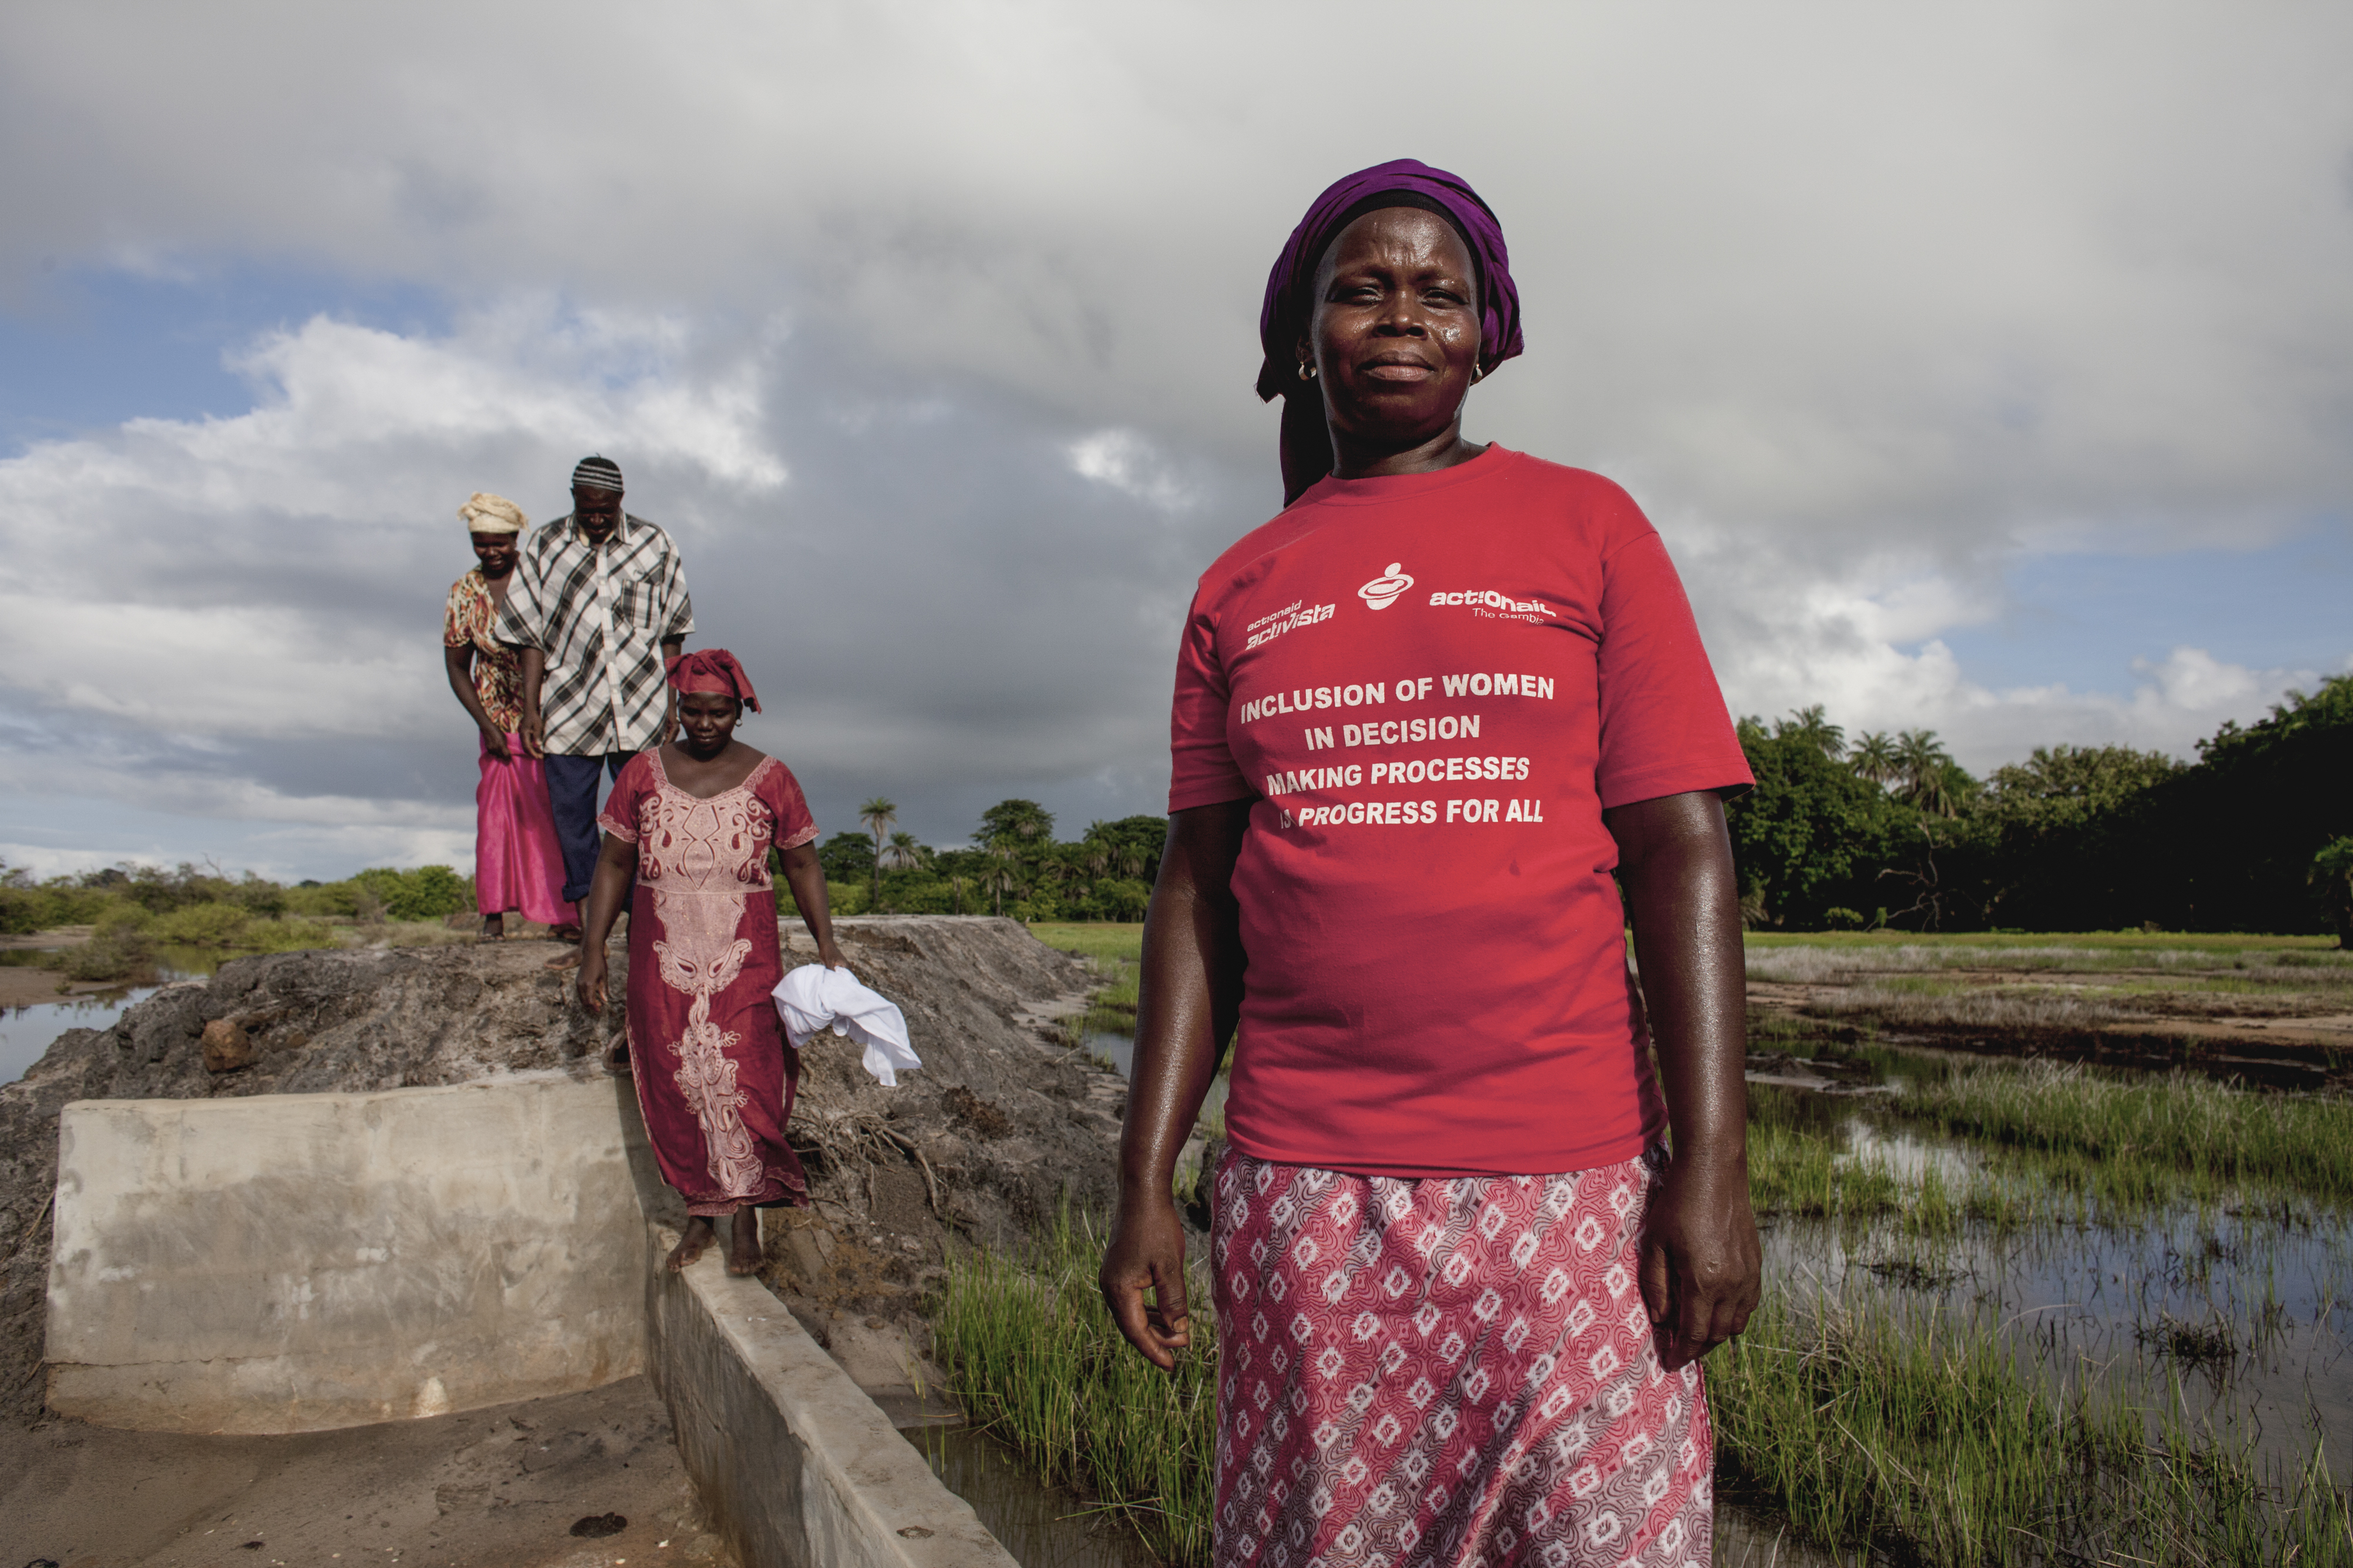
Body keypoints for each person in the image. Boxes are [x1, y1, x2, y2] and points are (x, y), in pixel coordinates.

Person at [1099, 160, 1760, 1568]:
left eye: (1436, 290)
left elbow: (1678, 846)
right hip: (1305, 1190)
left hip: (1573, 1176)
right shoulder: (1240, 584)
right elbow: (1198, 892)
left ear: (1485, 336)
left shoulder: (1589, 527)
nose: (1401, 313)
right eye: (1362, 287)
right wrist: (1143, 1173)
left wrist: (1710, 1163)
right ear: (1301, 339)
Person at [575, 649, 848, 1276]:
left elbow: (801, 863)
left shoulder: (772, 776)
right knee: (679, 1082)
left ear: (740, 710)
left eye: (718, 712)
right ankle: (701, 1215)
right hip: (661, 952)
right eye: (692, 711)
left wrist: (826, 943)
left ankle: (746, 1215)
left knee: (746, 1077)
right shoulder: (642, 773)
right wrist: (593, 951)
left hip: (744, 952)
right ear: (676, 708)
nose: (703, 724)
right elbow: (615, 862)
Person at [497, 455, 696, 966]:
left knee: (646, 821)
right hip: (568, 706)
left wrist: (673, 701)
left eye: (606, 509)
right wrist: (532, 709)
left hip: (643, 705)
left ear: (621, 500)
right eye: (588, 509)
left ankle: (644, 928)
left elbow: (673, 629)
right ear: (574, 499)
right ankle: (591, 936)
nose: (598, 519)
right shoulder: (545, 546)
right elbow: (529, 637)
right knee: (572, 820)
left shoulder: (655, 544)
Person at [442, 492, 575, 942]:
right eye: (482, 543)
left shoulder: (540, 581)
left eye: (500, 542)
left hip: (551, 718)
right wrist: (487, 725)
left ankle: (563, 914)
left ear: (516, 539)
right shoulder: (465, 592)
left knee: (552, 816)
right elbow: (457, 667)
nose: (491, 551)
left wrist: (534, 712)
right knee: (495, 819)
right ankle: (494, 915)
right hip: (496, 719)